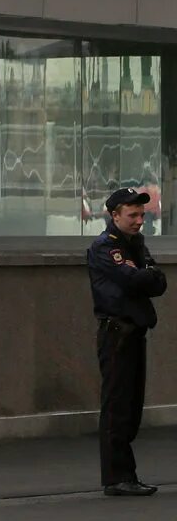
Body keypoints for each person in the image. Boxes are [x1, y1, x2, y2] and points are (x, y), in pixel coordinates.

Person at [87, 186, 167, 496]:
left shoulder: (136, 245)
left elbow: (158, 282)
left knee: (131, 408)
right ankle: (117, 477)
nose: (138, 221)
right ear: (114, 215)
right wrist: (145, 275)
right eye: (132, 215)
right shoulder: (106, 247)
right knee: (117, 407)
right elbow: (135, 279)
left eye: (142, 215)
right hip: (117, 334)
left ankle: (126, 474)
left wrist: (145, 275)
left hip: (135, 332)